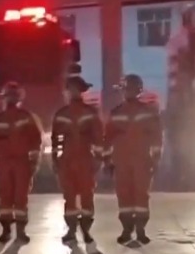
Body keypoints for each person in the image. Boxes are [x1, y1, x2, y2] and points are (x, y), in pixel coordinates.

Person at [103, 74, 163, 244]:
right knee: (124, 196)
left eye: (130, 88)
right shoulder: (116, 113)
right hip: (121, 162)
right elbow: (107, 138)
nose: (127, 92)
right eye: (126, 89)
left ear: (138, 90)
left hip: (142, 161)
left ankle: (140, 230)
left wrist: (156, 158)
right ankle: (127, 230)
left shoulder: (148, 113)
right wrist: (107, 161)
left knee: (141, 196)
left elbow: (157, 137)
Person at [0, 82, 44, 243]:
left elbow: (36, 140)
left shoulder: (26, 117)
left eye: (13, 96)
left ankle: (20, 231)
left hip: (22, 163)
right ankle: (6, 230)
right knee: (5, 198)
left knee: (21, 198)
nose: (10, 99)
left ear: (18, 98)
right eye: (8, 96)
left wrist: (33, 162)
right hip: (4, 164)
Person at [51, 77, 105, 243]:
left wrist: (98, 159)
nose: (72, 92)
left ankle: (86, 231)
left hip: (85, 160)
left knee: (87, 196)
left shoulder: (88, 113)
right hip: (67, 161)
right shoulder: (62, 114)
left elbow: (98, 137)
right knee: (69, 197)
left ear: (81, 91)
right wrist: (55, 159)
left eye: (75, 89)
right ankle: (72, 230)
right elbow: (55, 139)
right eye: (71, 89)